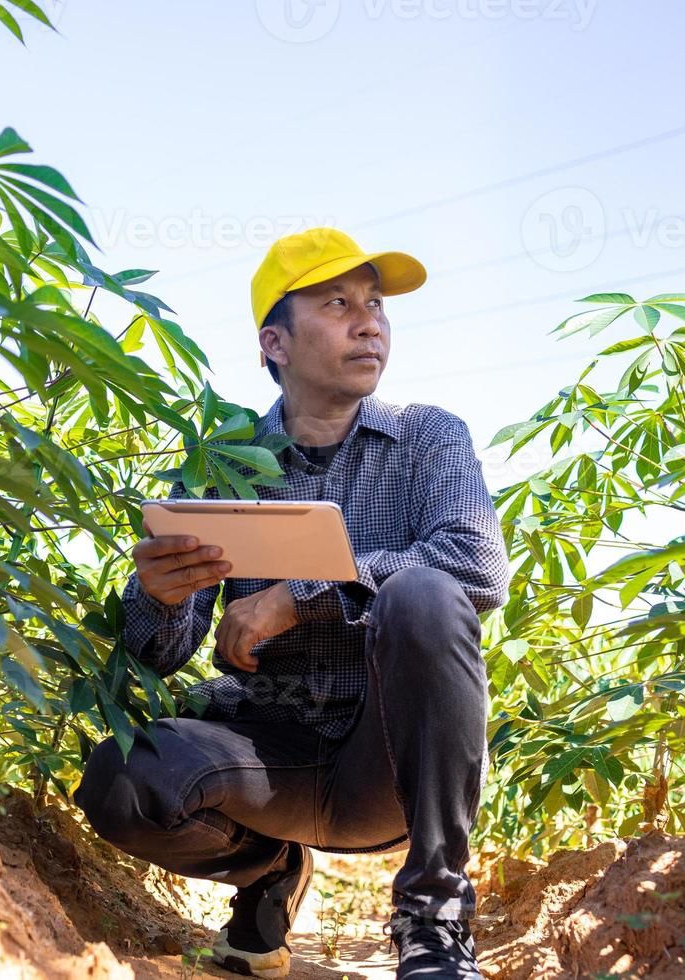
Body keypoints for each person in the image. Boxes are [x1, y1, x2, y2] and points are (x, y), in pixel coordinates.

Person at [73, 227, 511, 979]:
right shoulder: (225, 457)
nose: (369, 321)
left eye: (374, 304)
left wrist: (297, 599)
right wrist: (161, 597)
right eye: (338, 303)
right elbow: (161, 654)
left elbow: (478, 568)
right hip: (265, 757)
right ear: (275, 343)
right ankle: (268, 868)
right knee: (120, 780)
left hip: (389, 768)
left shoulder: (428, 438)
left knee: (426, 593)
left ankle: (434, 920)